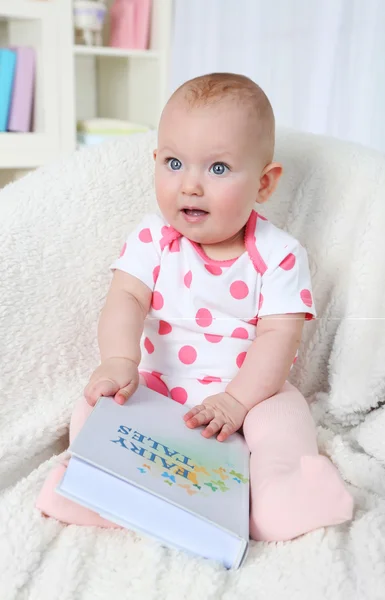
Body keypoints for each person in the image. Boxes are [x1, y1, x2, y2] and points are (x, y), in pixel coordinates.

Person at [37, 73, 353, 541]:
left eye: (218, 169)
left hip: (247, 393)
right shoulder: (153, 238)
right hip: (160, 389)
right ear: (155, 162)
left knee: (283, 419)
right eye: (174, 163)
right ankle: (95, 485)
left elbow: (278, 338)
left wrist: (238, 401)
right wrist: (119, 361)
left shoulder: (280, 253)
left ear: (264, 184)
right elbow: (125, 297)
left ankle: (281, 495)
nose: (190, 185)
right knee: (97, 405)